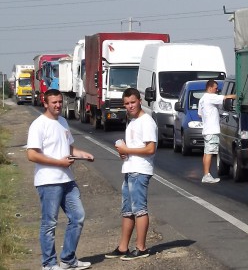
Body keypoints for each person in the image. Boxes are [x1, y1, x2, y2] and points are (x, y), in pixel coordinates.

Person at [26, 88, 94, 270]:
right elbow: (32, 154)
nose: (57, 105)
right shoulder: (38, 125)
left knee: (78, 217)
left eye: (59, 102)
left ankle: (68, 259)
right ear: (45, 102)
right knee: (49, 223)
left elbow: (69, 148)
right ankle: (48, 264)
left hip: (67, 180)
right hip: (48, 181)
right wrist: (58, 163)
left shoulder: (63, 121)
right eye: (54, 102)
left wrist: (83, 154)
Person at [105, 88, 157, 261]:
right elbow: (134, 146)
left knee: (139, 209)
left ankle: (141, 247)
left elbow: (150, 149)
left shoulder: (146, 121)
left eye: (132, 102)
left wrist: (127, 149)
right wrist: (124, 152)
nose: (130, 106)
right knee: (127, 210)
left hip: (140, 170)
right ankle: (122, 247)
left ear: (139, 100)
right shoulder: (132, 121)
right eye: (126, 104)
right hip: (129, 168)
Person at [198, 79, 236, 183]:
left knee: (206, 152)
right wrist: (237, 96)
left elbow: (200, 114)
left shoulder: (202, 99)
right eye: (215, 88)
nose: (217, 89)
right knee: (210, 152)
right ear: (210, 88)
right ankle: (207, 175)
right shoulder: (210, 97)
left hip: (206, 129)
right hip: (212, 130)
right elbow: (226, 97)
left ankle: (206, 174)